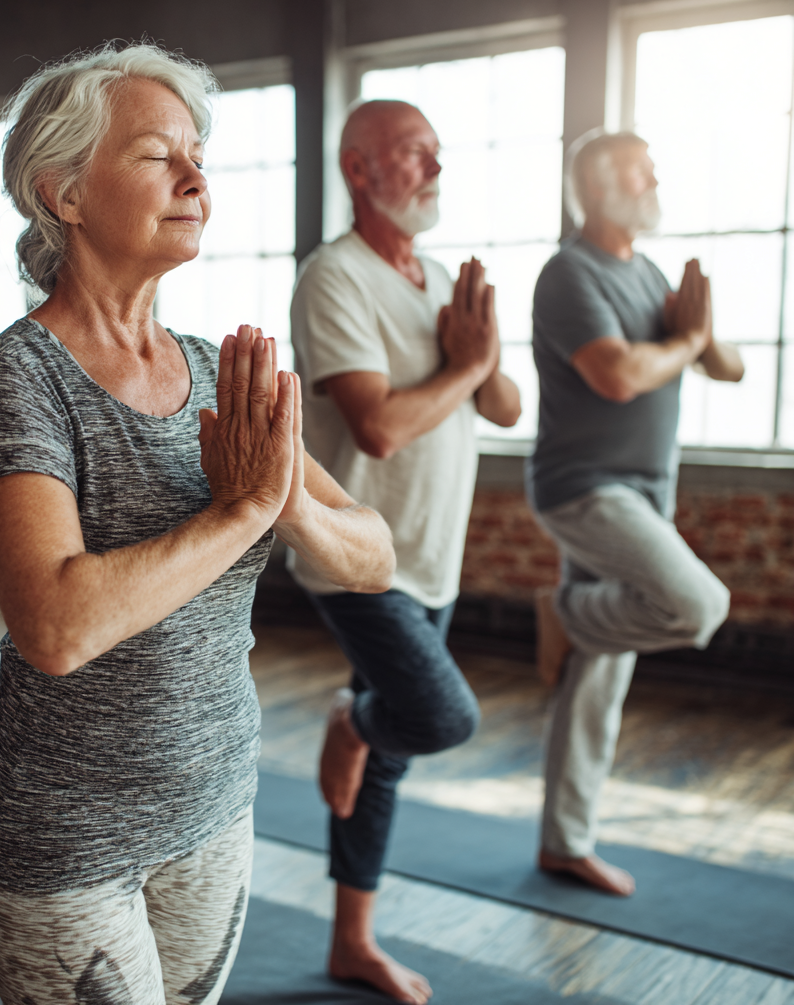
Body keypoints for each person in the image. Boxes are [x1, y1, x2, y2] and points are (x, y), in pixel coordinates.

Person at [0, 44, 395, 1005]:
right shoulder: (18, 378)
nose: (197, 181)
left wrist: (285, 499)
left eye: (200, 158)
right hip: (62, 832)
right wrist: (241, 512)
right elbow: (56, 626)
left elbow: (373, 554)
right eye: (159, 156)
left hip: (215, 802)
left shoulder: (215, 368)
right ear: (62, 192)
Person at [289, 99, 522, 1005]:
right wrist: (462, 368)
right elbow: (379, 428)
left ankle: (353, 941)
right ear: (360, 169)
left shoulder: (435, 282)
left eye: (437, 155)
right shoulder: (334, 277)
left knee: (389, 759)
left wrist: (480, 351)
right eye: (415, 154)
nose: (434, 169)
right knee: (436, 718)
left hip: (433, 552)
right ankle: (354, 719)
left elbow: (501, 407)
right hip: (356, 553)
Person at [528, 129, 743, 896]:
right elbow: (618, 376)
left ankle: (563, 842)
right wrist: (684, 339)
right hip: (586, 489)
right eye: (635, 166)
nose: (654, 175)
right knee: (697, 605)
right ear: (594, 185)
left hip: (647, 490)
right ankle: (567, 611)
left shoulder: (650, 272)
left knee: (596, 687)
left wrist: (698, 327)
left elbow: (731, 365)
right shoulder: (567, 274)